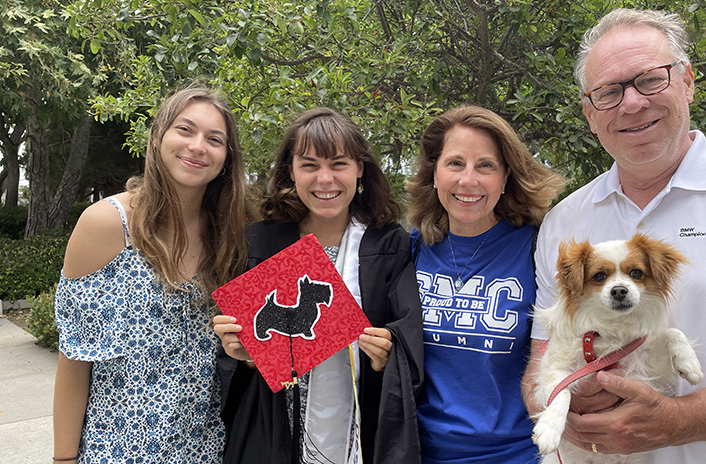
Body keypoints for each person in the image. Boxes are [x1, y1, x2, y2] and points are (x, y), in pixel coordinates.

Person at [521, 8, 706, 463]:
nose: (632, 103)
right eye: (608, 92)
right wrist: (559, 398)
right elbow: (540, 363)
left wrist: (678, 422)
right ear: (589, 113)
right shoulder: (565, 221)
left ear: (687, 81)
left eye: (649, 79)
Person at [213, 107, 424, 464]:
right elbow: (238, 366)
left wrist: (384, 358)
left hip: (360, 434)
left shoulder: (389, 246)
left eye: (339, 164)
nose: (325, 179)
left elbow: (407, 343)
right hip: (274, 430)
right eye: (309, 165)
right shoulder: (260, 245)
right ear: (290, 173)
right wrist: (242, 354)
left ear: (360, 169)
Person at [52, 86, 250, 464]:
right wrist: (64, 459)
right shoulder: (107, 223)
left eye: (215, 139)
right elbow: (74, 358)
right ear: (158, 136)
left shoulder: (229, 234)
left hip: (207, 448)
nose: (197, 146)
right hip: (118, 450)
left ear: (226, 159)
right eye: (185, 130)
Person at [406, 105, 565, 463]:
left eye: (485, 166)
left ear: (506, 177)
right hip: (422, 453)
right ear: (434, 173)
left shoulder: (537, 248)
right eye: (455, 163)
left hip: (519, 454)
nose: (468, 180)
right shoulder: (411, 250)